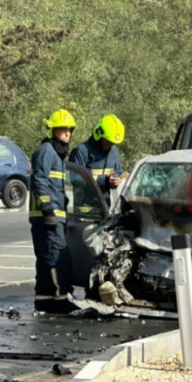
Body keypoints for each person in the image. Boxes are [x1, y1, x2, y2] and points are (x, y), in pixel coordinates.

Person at [29, 109, 77, 313]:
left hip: (50, 216)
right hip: (47, 216)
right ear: (53, 131)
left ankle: (44, 299)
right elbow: (39, 181)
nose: (66, 134)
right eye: (62, 130)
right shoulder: (47, 152)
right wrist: (48, 209)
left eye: (68, 130)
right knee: (58, 257)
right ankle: (62, 298)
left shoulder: (57, 155)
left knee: (46, 259)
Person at [69, 114, 125, 207]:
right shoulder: (81, 151)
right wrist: (104, 180)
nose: (110, 145)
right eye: (108, 141)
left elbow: (117, 171)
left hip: (104, 209)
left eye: (113, 143)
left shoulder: (113, 150)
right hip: (84, 211)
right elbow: (76, 179)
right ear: (99, 135)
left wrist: (115, 180)